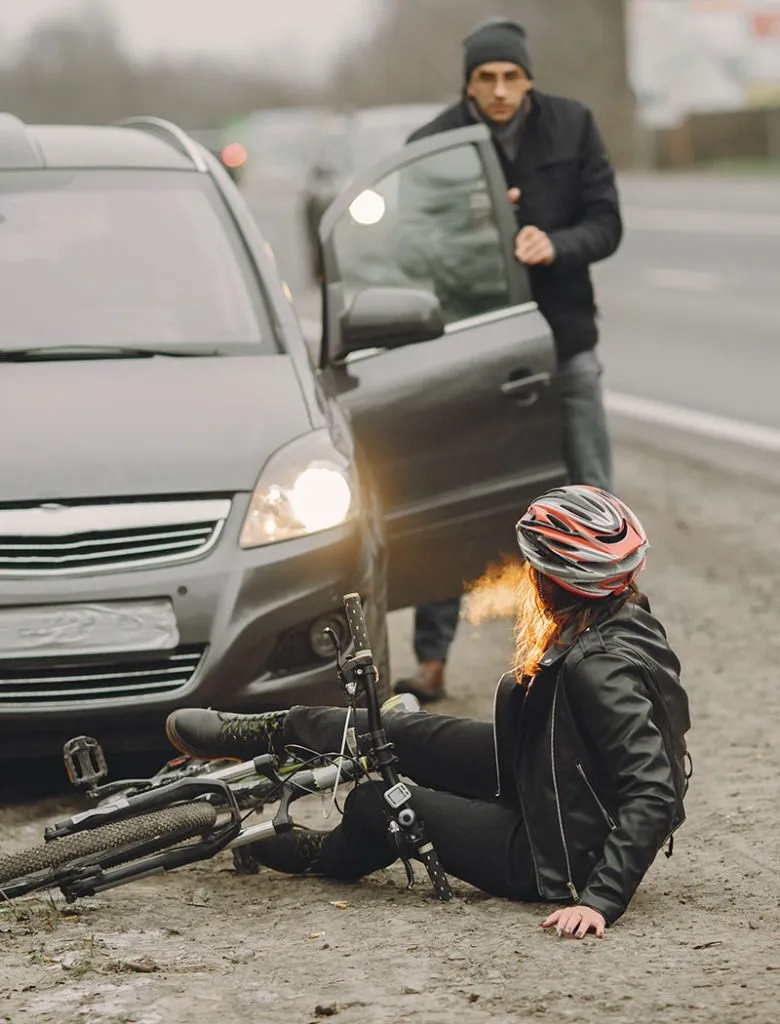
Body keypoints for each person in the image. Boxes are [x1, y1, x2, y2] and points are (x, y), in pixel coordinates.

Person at [165, 486, 691, 938]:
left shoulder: (600, 668)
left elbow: (654, 789)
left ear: (555, 580)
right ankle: (268, 730)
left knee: (377, 802)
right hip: (545, 778)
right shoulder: (619, 618)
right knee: (395, 729)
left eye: (534, 567)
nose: (528, 575)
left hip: (553, 853)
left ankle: (322, 854)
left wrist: (599, 900)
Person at [394, 18, 623, 703]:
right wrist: (479, 232)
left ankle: (608, 646)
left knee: (591, 494)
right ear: (468, 83)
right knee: (448, 496)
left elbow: (607, 222)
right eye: (485, 77)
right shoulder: (431, 145)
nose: (499, 90)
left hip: (562, 340)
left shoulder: (572, 125)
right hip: (468, 348)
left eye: (511, 77)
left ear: (529, 79)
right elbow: (410, 248)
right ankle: (431, 660)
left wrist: (555, 244)